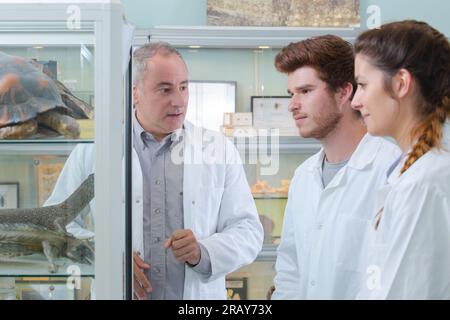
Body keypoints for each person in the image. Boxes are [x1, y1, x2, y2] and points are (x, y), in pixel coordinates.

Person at [45, 42, 263, 300]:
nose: (179, 101)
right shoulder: (94, 150)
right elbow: (54, 226)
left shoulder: (217, 149)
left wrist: (203, 252)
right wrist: (104, 256)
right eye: (165, 89)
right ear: (135, 92)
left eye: (184, 87)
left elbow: (248, 230)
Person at [271, 35, 401, 299]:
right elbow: (290, 270)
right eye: (291, 94)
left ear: (344, 92)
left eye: (305, 91)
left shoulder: (392, 172)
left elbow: (397, 279)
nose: (292, 105)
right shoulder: (303, 177)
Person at [351, 20, 450, 299]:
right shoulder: (415, 173)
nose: (355, 102)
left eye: (362, 85)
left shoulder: (424, 183)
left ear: (401, 83)